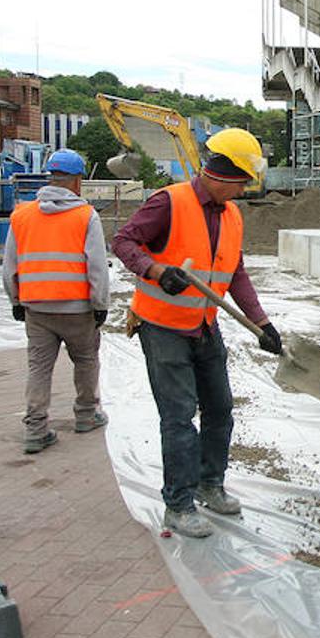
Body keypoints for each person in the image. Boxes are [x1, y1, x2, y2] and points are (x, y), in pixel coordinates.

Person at [111, 128, 282, 539]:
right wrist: (156, 270)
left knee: (220, 409)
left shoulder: (233, 215)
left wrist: (262, 323)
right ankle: (179, 503)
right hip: (163, 328)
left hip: (206, 326)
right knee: (179, 417)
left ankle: (210, 484)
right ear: (223, 174)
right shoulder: (169, 202)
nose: (243, 191)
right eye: (241, 183)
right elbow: (123, 241)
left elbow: (235, 273)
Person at [3, 149, 110, 455]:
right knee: (87, 361)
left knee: (39, 367)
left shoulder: (22, 215)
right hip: (78, 309)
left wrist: (16, 300)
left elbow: (9, 265)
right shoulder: (85, 215)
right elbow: (97, 267)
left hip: (37, 309)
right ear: (77, 181)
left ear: (49, 177)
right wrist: (100, 303)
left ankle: (36, 430)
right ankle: (86, 416)